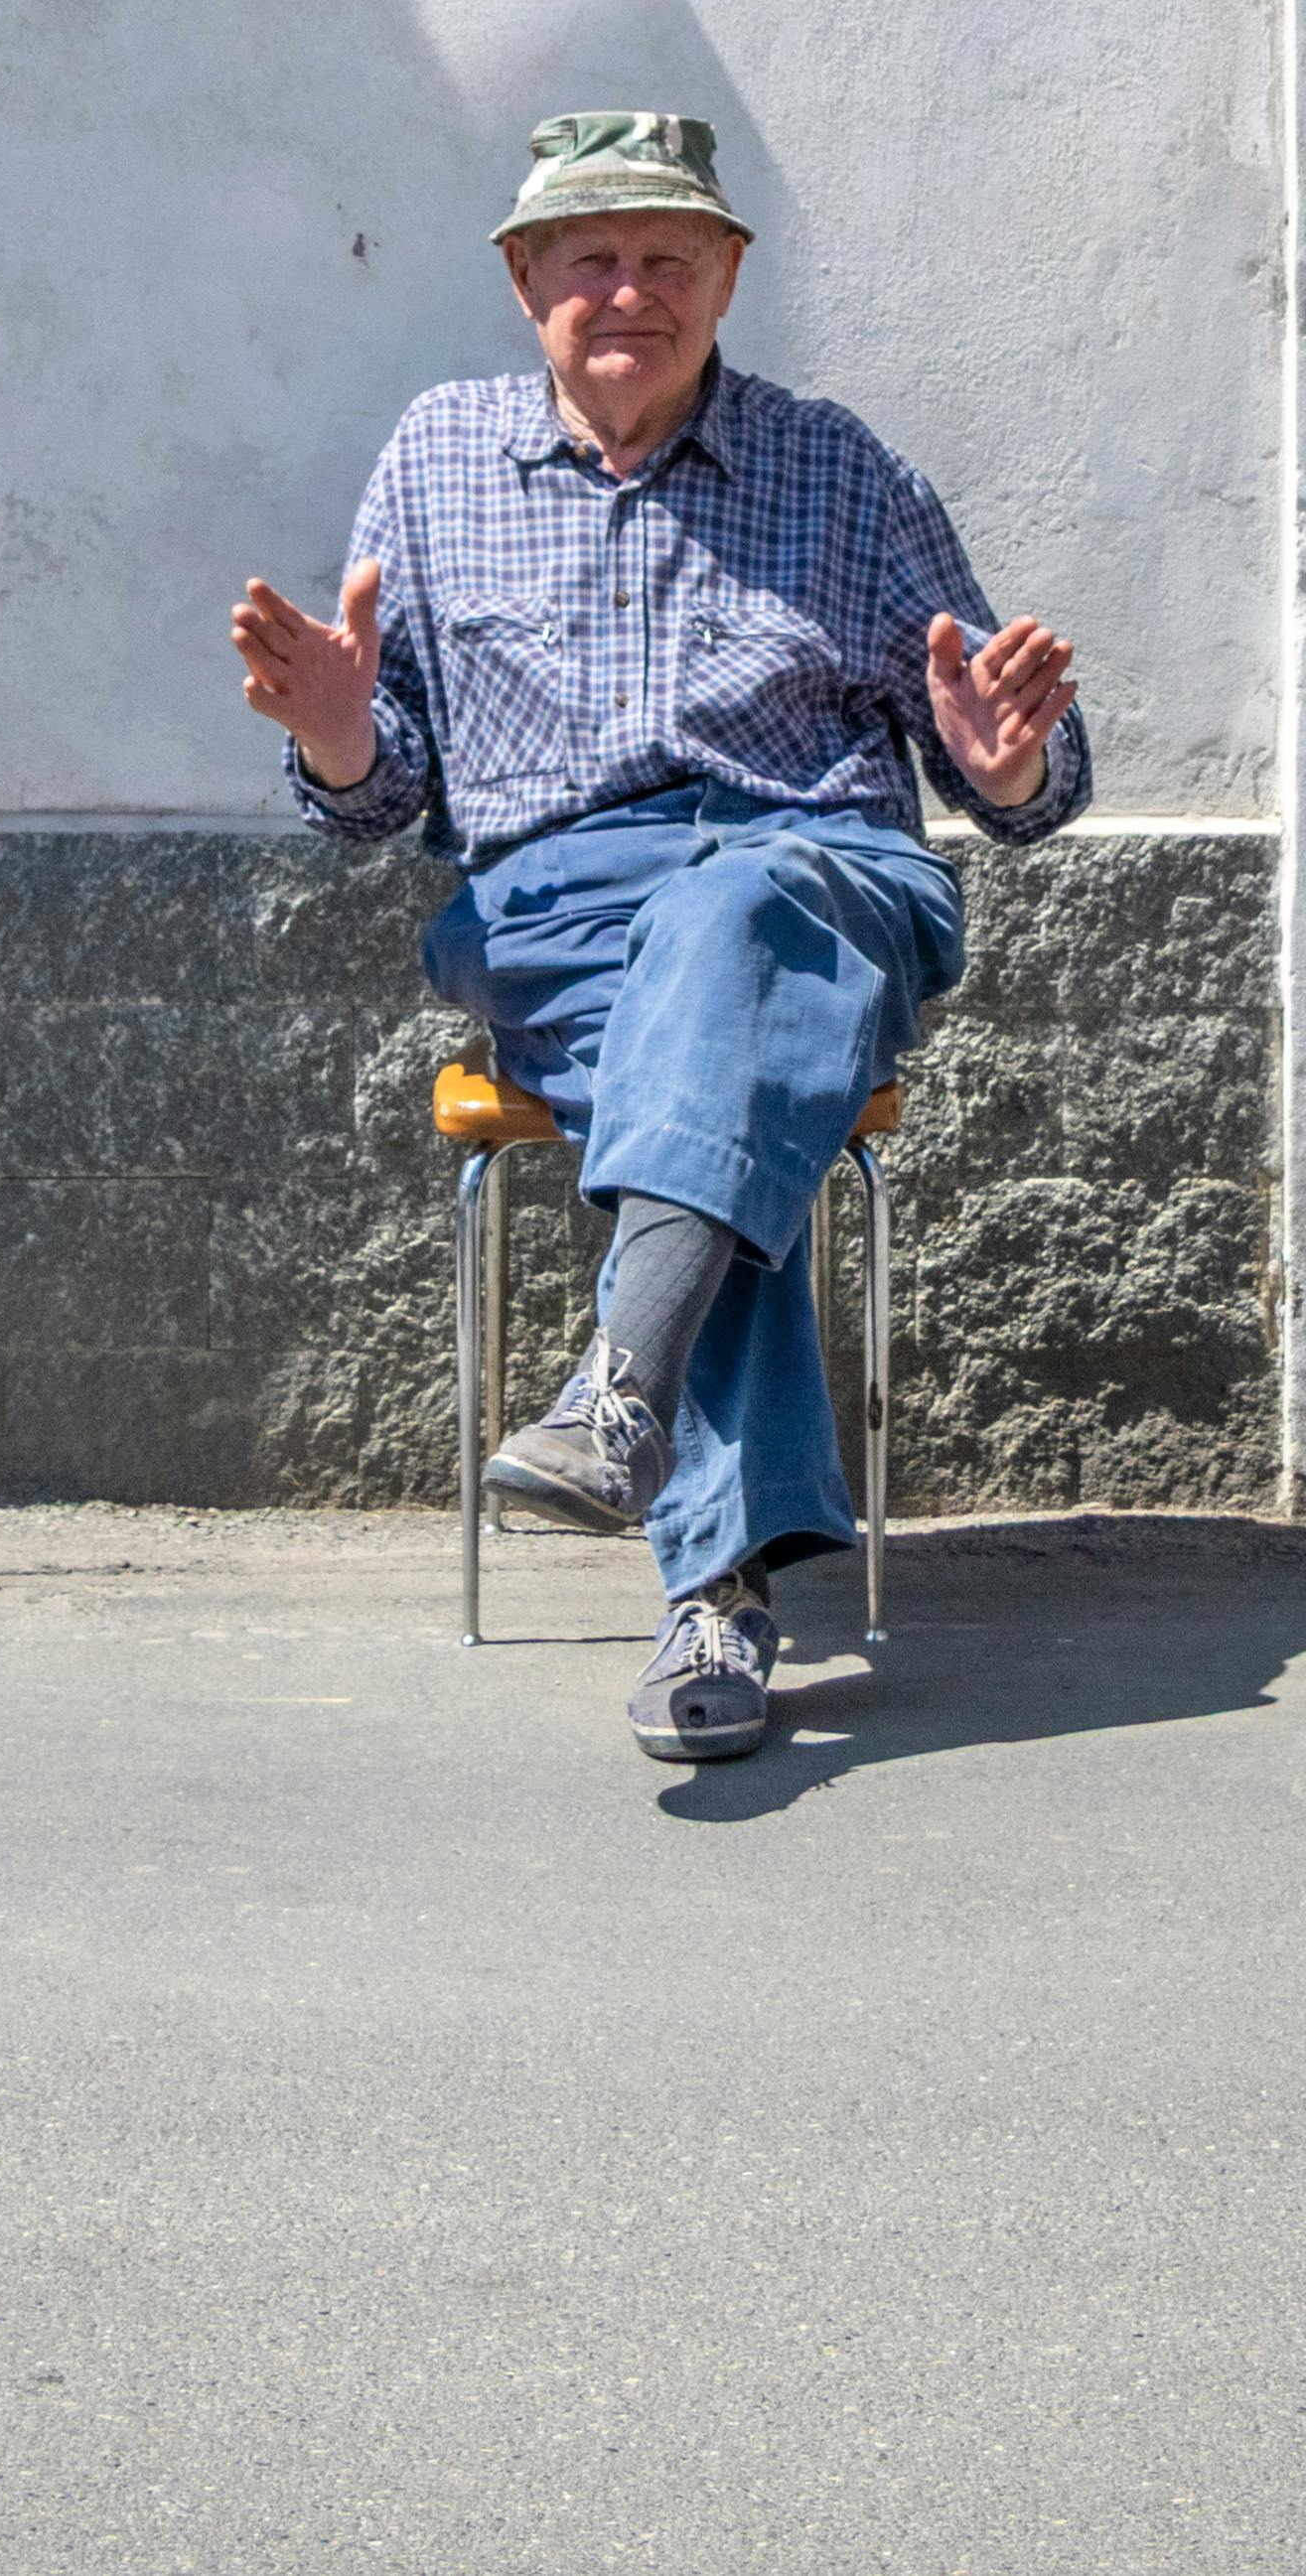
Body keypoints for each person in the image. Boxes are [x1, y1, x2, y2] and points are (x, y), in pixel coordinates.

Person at [231, 108, 1086, 1769]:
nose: (631, 291)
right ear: (524, 276)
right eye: (593, 258)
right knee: (721, 1051)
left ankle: (635, 1427)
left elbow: (1017, 770)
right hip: (559, 909)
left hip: (821, 878)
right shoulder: (436, 456)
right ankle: (698, 1552)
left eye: (668, 258)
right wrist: (343, 738)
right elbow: (380, 790)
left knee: (737, 920)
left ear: (729, 277)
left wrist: (1011, 764)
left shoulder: (841, 469)